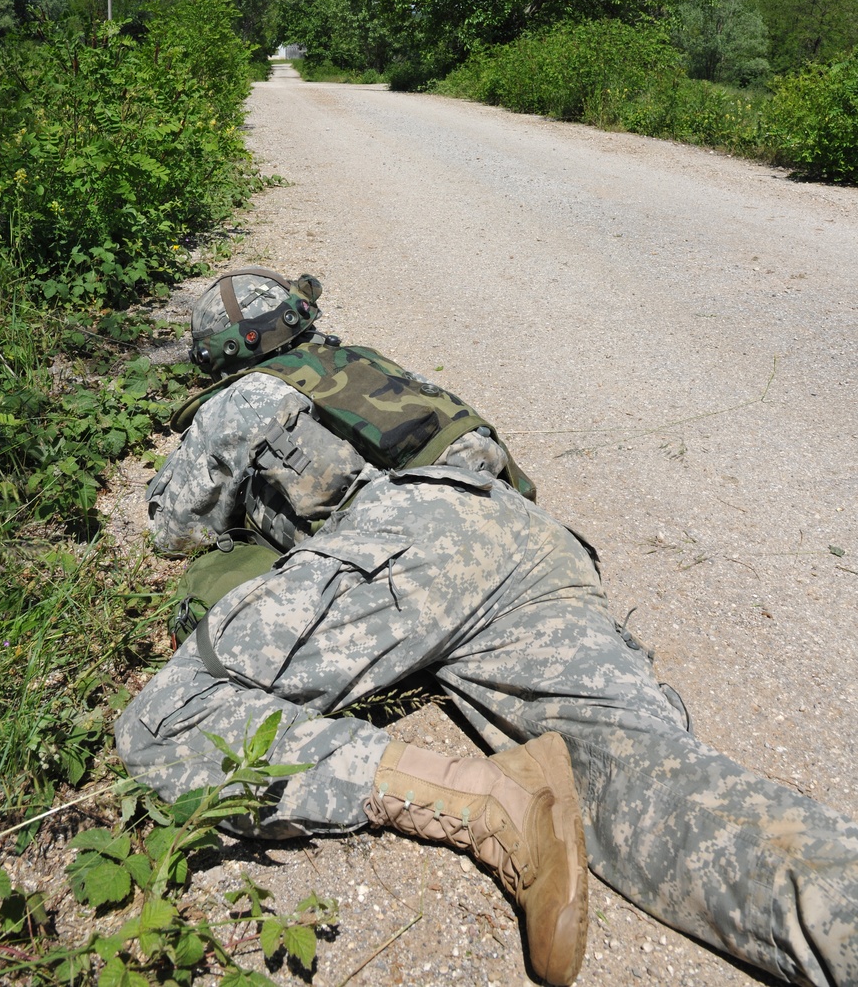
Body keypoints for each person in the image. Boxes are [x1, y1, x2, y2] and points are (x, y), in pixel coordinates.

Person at [115, 268, 858, 987]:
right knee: (650, 775)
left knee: (167, 719)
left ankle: (484, 798)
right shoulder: (367, 369)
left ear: (220, 353)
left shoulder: (244, 398)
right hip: (532, 539)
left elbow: (175, 529)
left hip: (415, 541)